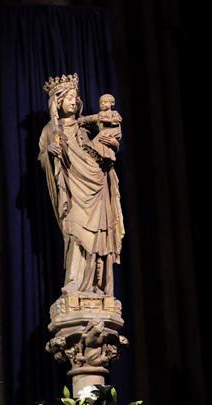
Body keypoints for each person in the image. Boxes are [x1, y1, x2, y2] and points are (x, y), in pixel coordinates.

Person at [38, 74, 125, 296]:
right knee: (75, 231)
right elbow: (43, 158)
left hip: (96, 186)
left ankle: (96, 285)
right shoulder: (50, 131)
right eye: (68, 97)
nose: (73, 101)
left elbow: (103, 152)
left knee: (97, 236)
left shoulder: (85, 130)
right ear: (57, 102)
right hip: (72, 190)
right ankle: (74, 282)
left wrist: (112, 143)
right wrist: (49, 153)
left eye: (75, 97)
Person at [80, 94, 122, 162]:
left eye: (105, 102)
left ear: (112, 103)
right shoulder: (100, 115)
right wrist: (80, 120)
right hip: (103, 136)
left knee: (104, 141)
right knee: (100, 140)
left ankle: (105, 156)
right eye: (101, 102)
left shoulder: (114, 113)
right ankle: (98, 153)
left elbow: (118, 120)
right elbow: (88, 119)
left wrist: (115, 144)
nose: (102, 104)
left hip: (112, 134)